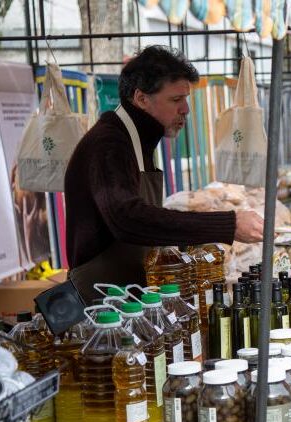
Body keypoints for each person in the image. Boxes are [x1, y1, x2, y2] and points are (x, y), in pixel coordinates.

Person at [64, 46, 264, 303]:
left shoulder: (137, 140)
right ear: (141, 98)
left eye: (186, 99)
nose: (186, 110)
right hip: (98, 304)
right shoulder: (109, 144)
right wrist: (229, 224)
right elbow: (127, 218)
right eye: (175, 100)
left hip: (129, 294)